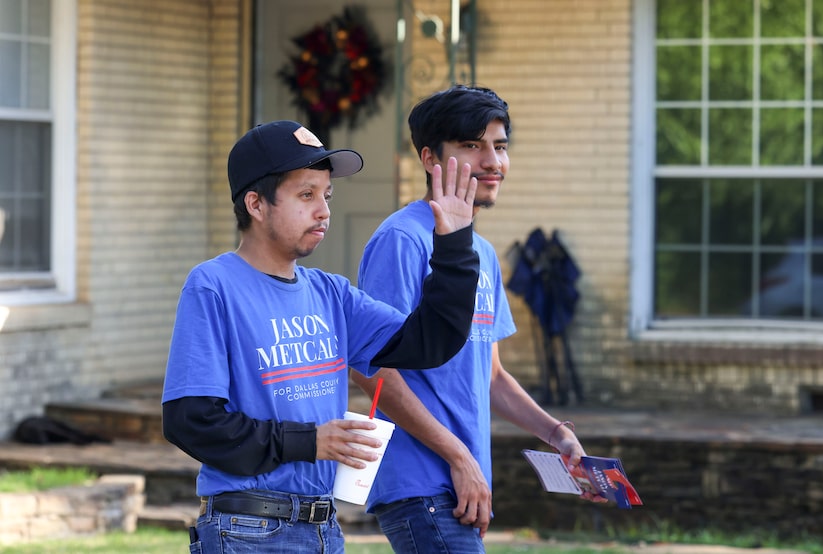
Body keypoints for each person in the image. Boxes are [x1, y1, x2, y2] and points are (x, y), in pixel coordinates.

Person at [161, 119, 481, 554]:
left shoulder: (331, 293)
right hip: (247, 530)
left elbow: (430, 342)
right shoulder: (213, 286)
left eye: (326, 195)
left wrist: (455, 245)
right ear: (256, 203)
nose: (324, 211)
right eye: (306, 195)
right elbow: (191, 421)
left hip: (323, 529)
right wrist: (311, 442)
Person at [350, 86, 603, 553]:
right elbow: (371, 368)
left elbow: (491, 374)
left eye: (500, 146)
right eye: (472, 145)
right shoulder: (402, 240)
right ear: (430, 158)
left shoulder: (480, 253)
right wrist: (459, 457)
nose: (492, 161)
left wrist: (556, 433)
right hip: (421, 482)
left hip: (460, 483)